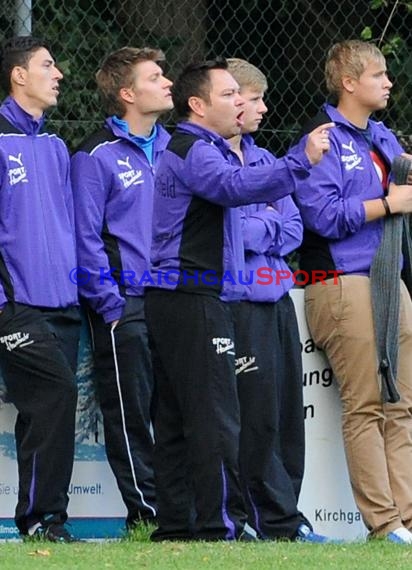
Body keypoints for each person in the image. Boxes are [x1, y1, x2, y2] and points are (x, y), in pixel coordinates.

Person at [145, 56, 333, 541]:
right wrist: (299, 161)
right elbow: (232, 188)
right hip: (193, 294)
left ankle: (177, 526)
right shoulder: (195, 149)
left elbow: (274, 216)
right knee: (213, 416)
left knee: (177, 416)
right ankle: (218, 525)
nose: (240, 103)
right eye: (228, 95)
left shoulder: (197, 148)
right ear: (197, 104)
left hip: (179, 296)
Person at [294, 40, 412, 544]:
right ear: (348, 82)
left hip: (390, 280)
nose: (389, 82)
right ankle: (384, 524)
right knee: (365, 405)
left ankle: (407, 517)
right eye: (379, 74)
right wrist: (387, 203)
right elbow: (321, 218)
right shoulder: (321, 140)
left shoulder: (383, 137)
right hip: (341, 281)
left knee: (402, 404)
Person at [226, 57, 334, 542]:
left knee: (290, 414)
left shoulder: (268, 161)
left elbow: (292, 229)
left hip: (278, 300)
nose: (264, 108)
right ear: (230, 100)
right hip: (239, 303)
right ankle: (265, 517)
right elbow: (233, 232)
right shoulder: (206, 159)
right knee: (257, 415)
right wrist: (264, 226)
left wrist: (263, 226)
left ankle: (287, 510)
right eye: (255, 99)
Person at [71, 47, 173, 530]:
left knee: (173, 409)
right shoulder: (95, 156)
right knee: (131, 410)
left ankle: (180, 508)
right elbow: (85, 238)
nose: (168, 82)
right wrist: (109, 304)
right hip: (122, 303)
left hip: (174, 300)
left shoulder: (178, 148)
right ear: (128, 93)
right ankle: (146, 514)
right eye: (156, 76)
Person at [0, 36, 80, 542]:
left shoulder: (55, 147)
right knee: (56, 393)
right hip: (15, 306)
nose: (59, 74)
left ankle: (42, 520)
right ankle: (42, 519)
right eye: (48, 65)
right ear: (18, 76)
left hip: (65, 306)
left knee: (45, 410)